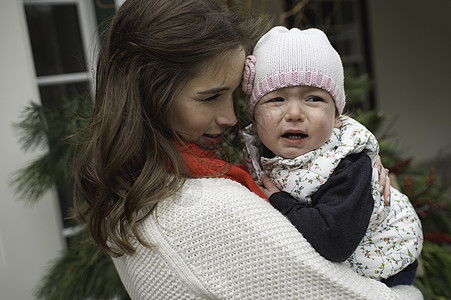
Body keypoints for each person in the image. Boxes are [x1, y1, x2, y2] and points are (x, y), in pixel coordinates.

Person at [73, 0, 423, 298]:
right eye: (210, 97)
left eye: (234, 97)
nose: (229, 117)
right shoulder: (199, 211)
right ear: (151, 96)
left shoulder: (139, 187)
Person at [241, 26, 423, 287]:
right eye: (277, 99)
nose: (294, 113)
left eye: (313, 99)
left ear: (336, 117)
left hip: (383, 264)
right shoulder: (256, 149)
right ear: (254, 118)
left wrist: (280, 201)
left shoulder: (347, 164)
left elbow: (332, 240)